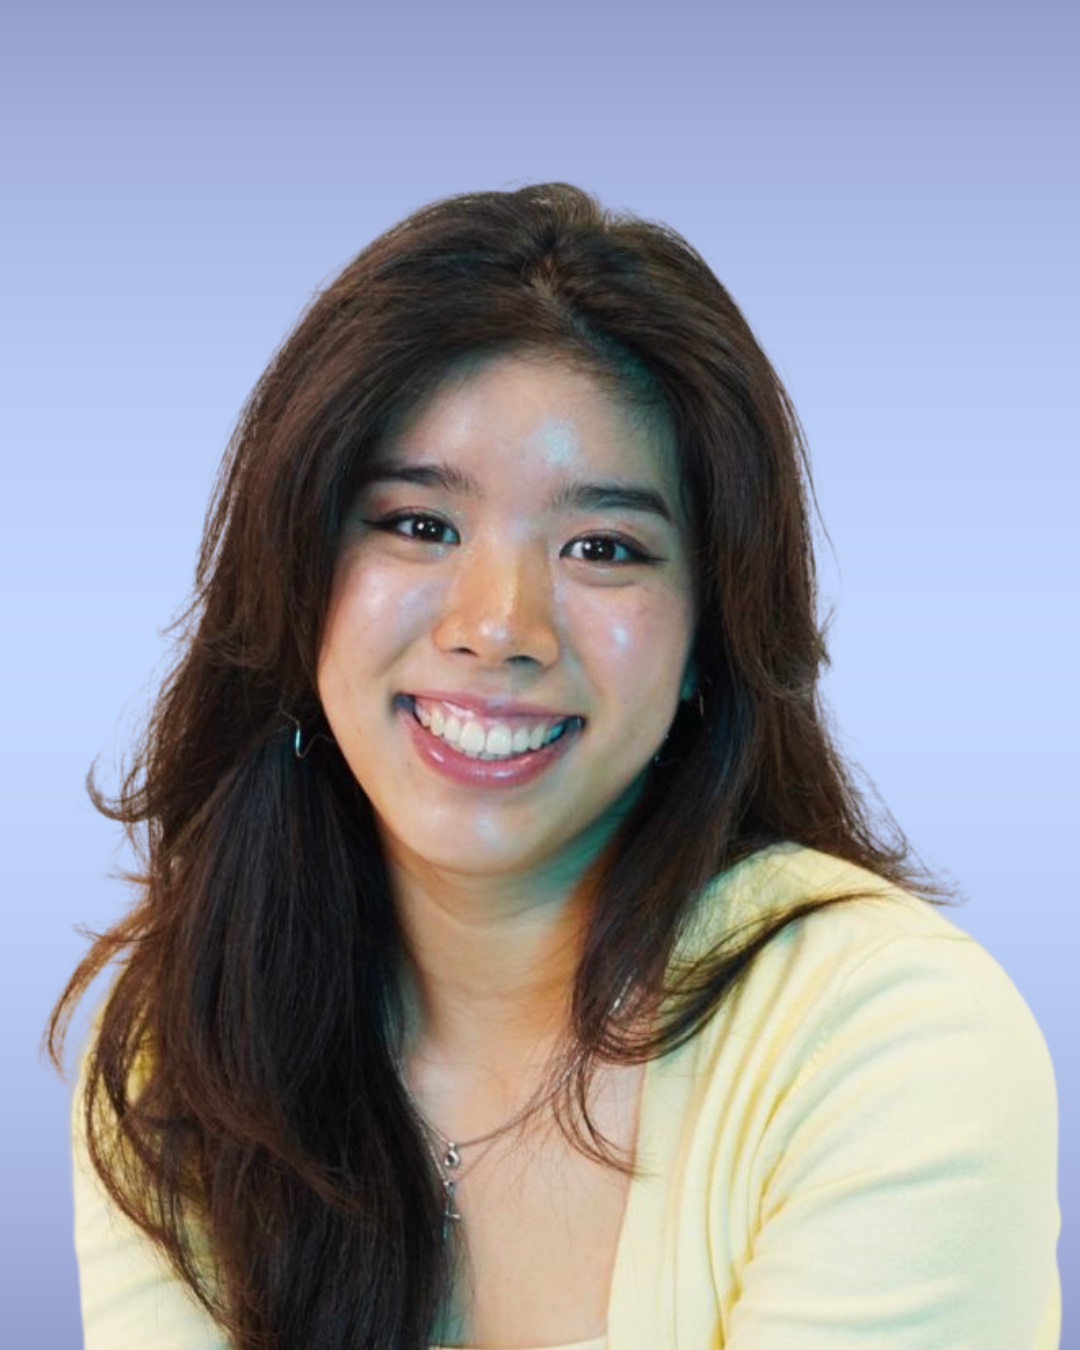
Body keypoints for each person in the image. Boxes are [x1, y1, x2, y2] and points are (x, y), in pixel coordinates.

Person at [49, 183, 1060, 1350]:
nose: (499, 625)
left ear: (710, 639)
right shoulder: (189, 1046)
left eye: (602, 547)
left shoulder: (885, 1040)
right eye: (418, 524)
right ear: (295, 579)